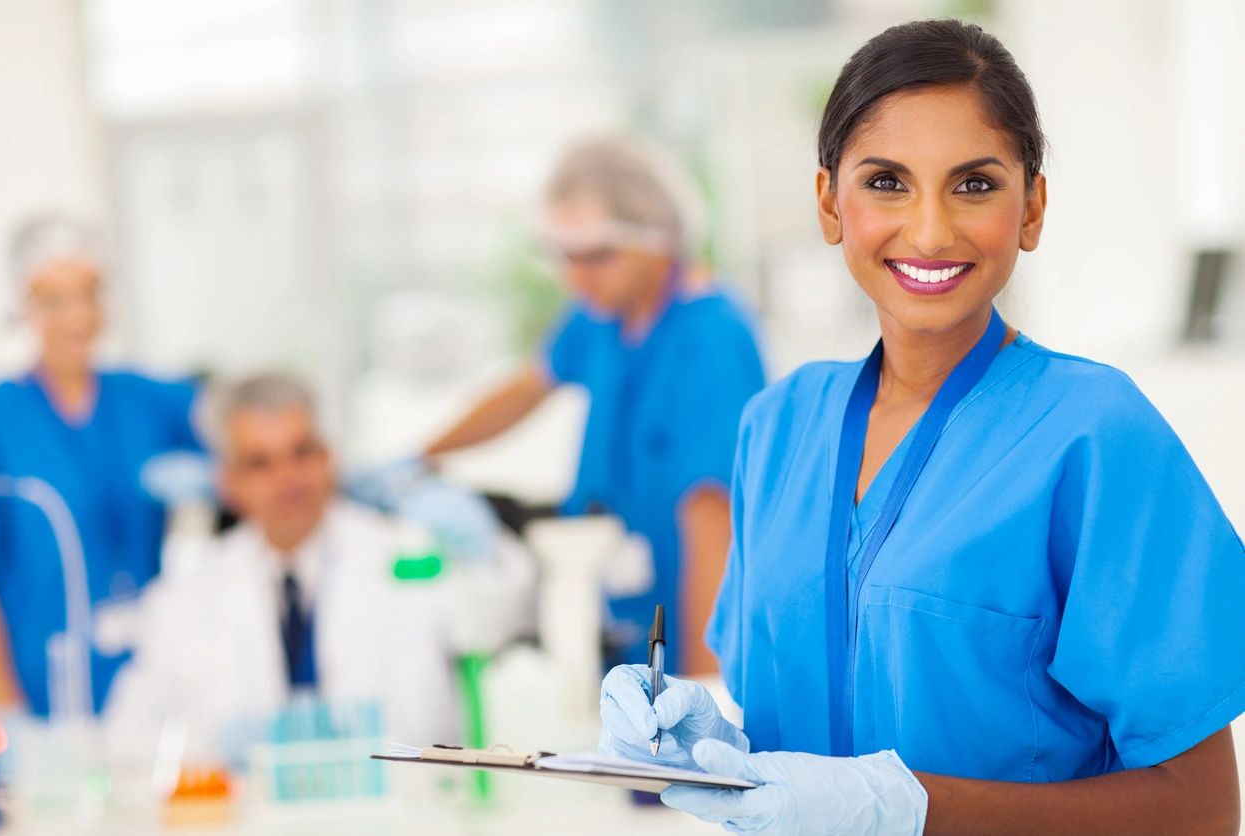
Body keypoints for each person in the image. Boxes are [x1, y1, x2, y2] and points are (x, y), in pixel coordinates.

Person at [599, 19, 1245, 835]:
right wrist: (708, 743)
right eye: (886, 182)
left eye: (974, 184)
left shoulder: (1096, 436)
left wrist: (912, 808)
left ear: (1032, 207)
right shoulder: (779, 427)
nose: (931, 230)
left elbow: (1201, 812)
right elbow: (797, 717)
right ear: (830, 201)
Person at [425, 137, 765, 674]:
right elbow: (521, 393)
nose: (576, 277)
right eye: (566, 256)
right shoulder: (600, 318)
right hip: (610, 619)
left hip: (685, 637)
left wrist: (706, 694)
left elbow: (713, 527)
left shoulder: (710, 340)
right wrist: (422, 457)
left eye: (597, 256)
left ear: (657, 237)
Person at [104, 373, 533, 756]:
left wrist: (484, 550)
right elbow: (129, 740)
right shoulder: (184, 599)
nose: (288, 478)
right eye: (260, 463)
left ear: (329, 457)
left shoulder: (408, 557)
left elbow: (490, 621)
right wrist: (212, 751)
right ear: (229, 483)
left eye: (301, 452)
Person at [0, 216, 203, 717]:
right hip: (42, 682)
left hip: (152, 672)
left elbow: (242, 431)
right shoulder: (1, 417)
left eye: (90, 293)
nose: (78, 316)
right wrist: (4, 707)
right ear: (24, 305)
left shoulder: (148, 398)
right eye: (55, 299)